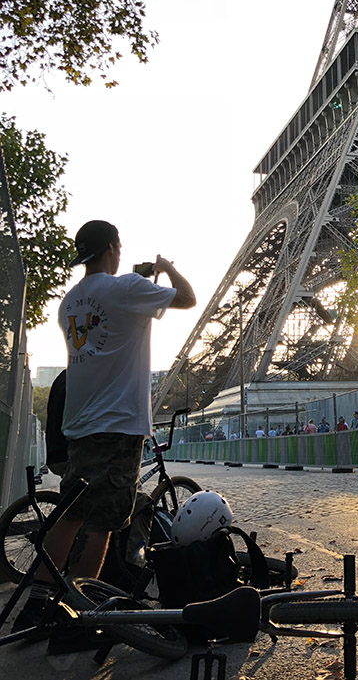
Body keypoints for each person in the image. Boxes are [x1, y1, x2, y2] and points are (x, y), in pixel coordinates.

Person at [15, 220, 196, 636]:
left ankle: (38, 604)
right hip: (117, 428)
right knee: (101, 526)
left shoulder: (69, 302)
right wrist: (165, 268)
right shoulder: (126, 288)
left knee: (71, 516)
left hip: (79, 428)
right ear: (115, 247)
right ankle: (80, 614)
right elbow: (187, 298)